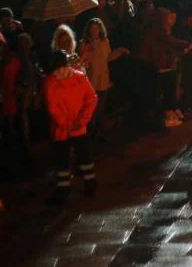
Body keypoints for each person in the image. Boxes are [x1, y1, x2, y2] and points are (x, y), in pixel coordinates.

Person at [43, 50, 98, 205]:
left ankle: (64, 189)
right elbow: (92, 99)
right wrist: (82, 121)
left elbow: (52, 107)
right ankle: (91, 183)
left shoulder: (50, 82)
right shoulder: (80, 78)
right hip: (77, 127)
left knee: (62, 159)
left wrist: (66, 124)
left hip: (62, 129)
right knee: (84, 155)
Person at [79, 19, 129, 137]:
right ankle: (92, 130)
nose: (94, 31)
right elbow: (82, 61)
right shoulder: (84, 43)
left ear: (100, 29)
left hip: (103, 78)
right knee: (91, 107)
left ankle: (98, 131)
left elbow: (108, 57)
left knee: (101, 107)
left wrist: (120, 51)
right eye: (92, 29)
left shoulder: (104, 41)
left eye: (96, 29)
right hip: (91, 80)